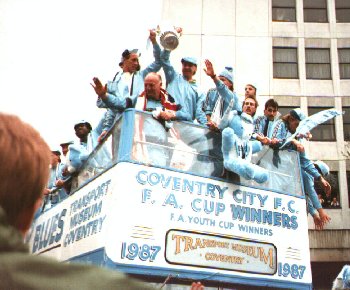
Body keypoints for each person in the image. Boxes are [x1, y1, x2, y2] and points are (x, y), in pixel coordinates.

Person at [0, 112, 156, 289]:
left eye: (82, 126)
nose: (79, 129)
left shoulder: (96, 136)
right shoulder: (98, 284)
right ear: (34, 206)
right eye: (76, 128)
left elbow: (110, 115)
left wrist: (106, 97)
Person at [91, 30, 162, 140]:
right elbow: (111, 109)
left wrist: (154, 42)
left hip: (139, 122)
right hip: (119, 125)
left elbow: (158, 62)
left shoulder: (142, 75)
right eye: (133, 60)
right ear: (123, 61)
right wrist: (106, 129)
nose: (136, 63)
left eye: (137, 61)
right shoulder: (114, 82)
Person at [270, 109, 331, 227]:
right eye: (297, 124)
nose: (299, 128)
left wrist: (319, 178)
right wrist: (320, 211)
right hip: (275, 169)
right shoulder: (280, 124)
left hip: (287, 177)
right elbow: (274, 142)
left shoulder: (299, 136)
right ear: (291, 120)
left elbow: (304, 161)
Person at [218, 91, 269, 183]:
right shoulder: (234, 115)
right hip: (229, 155)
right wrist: (228, 110)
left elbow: (251, 135)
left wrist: (259, 140)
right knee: (228, 133)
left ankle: (258, 174)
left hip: (243, 160)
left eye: (251, 104)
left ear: (255, 109)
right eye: (246, 104)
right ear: (243, 106)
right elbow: (221, 126)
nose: (248, 106)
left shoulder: (253, 123)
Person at [160, 49, 207, 125]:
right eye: (185, 65)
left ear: (195, 68)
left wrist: (207, 128)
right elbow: (164, 60)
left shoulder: (200, 91)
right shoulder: (173, 77)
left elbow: (200, 113)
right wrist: (168, 48)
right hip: (168, 122)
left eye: (190, 65)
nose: (187, 67)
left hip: (186, 128)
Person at [202, 63, 234, 129]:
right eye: (219, 79)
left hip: (224, 131)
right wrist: (211, 122)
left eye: (222, 80)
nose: (219, 81)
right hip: (210, 128)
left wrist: (213, 76)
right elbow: (207, 110)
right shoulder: (211, 92)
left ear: (230, 83)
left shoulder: (232, 96)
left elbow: (222, 88)